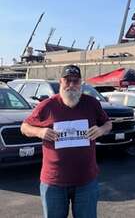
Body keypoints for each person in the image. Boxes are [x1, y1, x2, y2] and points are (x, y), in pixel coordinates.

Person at [21, 64, 112, 218]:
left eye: (75, 81)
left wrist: (101, 130)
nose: (71, 85)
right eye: (67, 80)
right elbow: (24, 127)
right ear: (60, 82)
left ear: (81, 83)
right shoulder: (47, 105)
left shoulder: (92, 103)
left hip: (86, 181)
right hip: (53, 182)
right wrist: (39, 131)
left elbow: (108, 124)